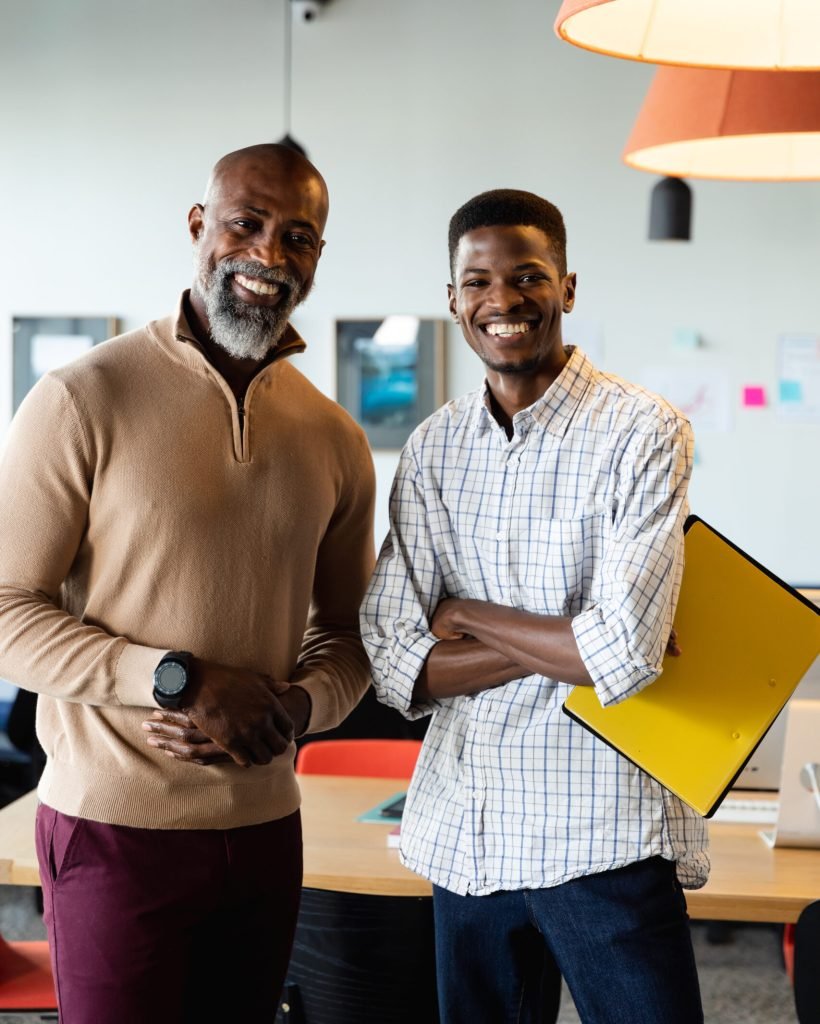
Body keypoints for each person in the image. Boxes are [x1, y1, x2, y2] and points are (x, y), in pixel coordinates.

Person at [0, 143, 375, 1023]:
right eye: (246, 223)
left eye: (299, 238)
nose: (268, 256)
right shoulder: (83, 397)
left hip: (266, 830)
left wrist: (301, 708)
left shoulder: (333, 436)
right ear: (199, 225)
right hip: (111, 829)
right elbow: (7, 611)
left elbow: (352, 635)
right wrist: (182, 682)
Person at [360, 189, 708, 1024]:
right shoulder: (434, 446)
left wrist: (467, 612)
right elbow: (394, 659)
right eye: (477, 280)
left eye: (527, 276)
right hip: (466, 831)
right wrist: (564, 639)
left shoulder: (642, 431)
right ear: (452, 300)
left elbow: (620, 652)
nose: (502, 300)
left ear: (567, 287)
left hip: (602, 831)